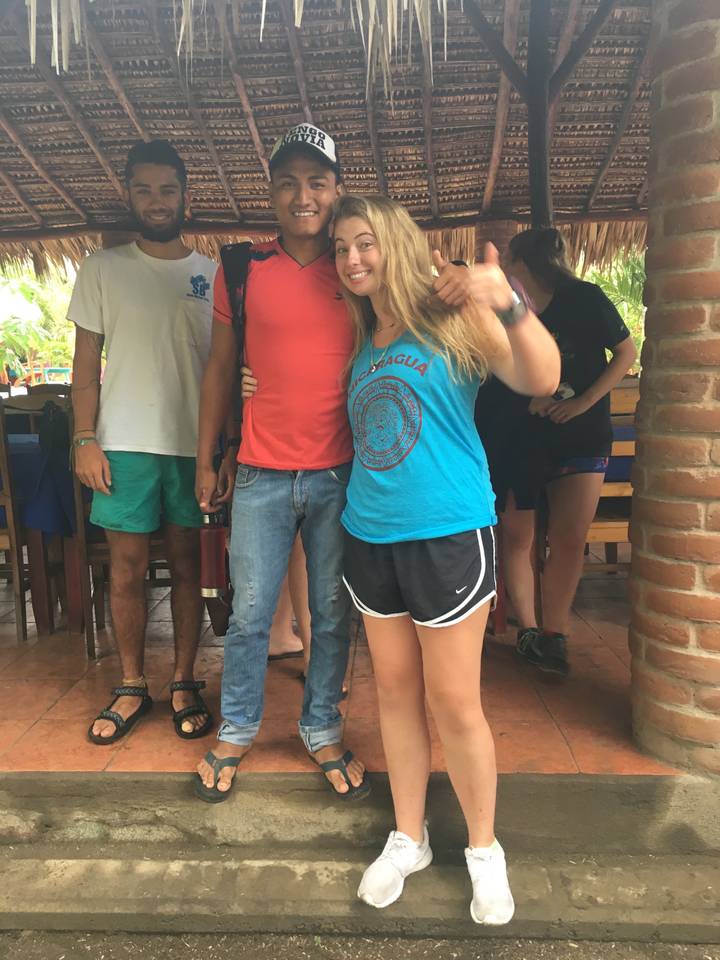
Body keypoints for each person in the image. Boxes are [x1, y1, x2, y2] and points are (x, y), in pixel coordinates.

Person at [332, 194, 560, 923]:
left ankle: (485, 851)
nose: (352, 259)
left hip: (450, 534)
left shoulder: (452, 318)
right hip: (370, 537)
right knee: (395, 695)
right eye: (341, 249)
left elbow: (543, 378)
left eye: (364, 243)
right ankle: (410, 836)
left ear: (396, 243)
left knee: (455, 703)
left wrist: (512, 304)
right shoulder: (362, 339)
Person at [70, 139, 224, 744]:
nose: (156, 201)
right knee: (127, 570)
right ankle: (132, 684)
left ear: (185, 196)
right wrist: (85, 437)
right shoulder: (102, 267)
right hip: (123, 443)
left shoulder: (210, 277)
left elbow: (225, 368)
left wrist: (223, 448)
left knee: (189, 568)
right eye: (144, 189)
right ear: (128, 194)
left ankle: (184, 680)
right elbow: (86, 363)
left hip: (193, 447)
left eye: (167, 190)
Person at [480, 228, 636, 677]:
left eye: (510, 260)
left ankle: (555, 634)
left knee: (568, 537)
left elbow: (624, 353)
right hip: (518, 435)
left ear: (525, 264)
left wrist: (580, 402)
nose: (506, 268)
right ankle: (528, 629)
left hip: (581, 433)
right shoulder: (505, 310)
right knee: (518, 536)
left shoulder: (584, 298)